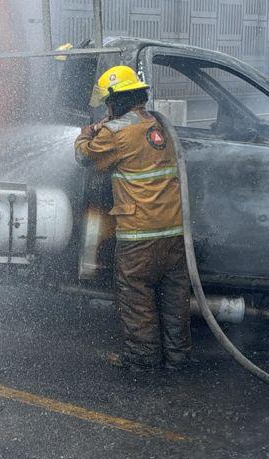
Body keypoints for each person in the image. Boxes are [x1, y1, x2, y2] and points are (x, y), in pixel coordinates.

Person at [74, 65, 192, 372]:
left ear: (114, 102)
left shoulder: (114, 134)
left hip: (139, 234)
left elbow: (85, 157)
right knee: (174, 296)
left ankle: (142, 359)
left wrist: (86, 133)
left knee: (136, 295)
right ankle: (178, 358)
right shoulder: (157, 124)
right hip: (175, 232)